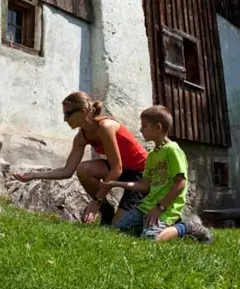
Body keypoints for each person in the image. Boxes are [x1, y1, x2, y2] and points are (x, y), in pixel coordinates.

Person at [12, 91, 148, 225]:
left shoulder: (106, 127)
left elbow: (116, 168)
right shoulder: (81, 137)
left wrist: (96, 201)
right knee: (84, 169)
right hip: (121, 169)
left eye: (68, 114)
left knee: (119, 227)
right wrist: (34, 175)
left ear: (83, 112)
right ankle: (107, 211)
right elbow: (67, 171)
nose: (65, 119)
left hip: (142, 173)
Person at [101, 105, 213, 242]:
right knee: (118, 231)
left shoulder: (173, 150)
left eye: (144, 126)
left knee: (150, 239)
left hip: (166, 207)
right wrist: (115, 183)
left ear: (158, 128)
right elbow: (144, 186)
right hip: (147, 206)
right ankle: (148, 227)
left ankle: (187, 227)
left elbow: (180, 184)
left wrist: (160, 207)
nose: (141, 130)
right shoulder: (152, 156)